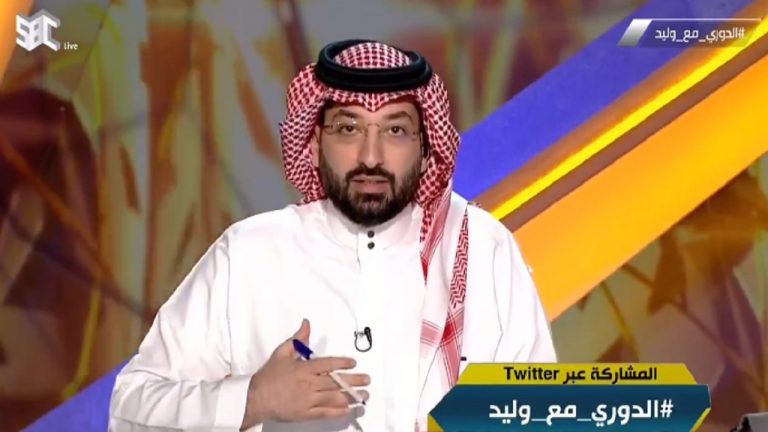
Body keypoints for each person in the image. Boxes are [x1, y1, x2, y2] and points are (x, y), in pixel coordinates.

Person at [108, 39, 557, 432]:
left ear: (425, 150)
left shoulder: (483, 250)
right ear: (314, 142)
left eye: (395, 130)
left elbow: (541, 415)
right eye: (348, 128)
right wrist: (252, 400)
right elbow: (129, 409)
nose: (371, 156)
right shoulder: (248, 254)